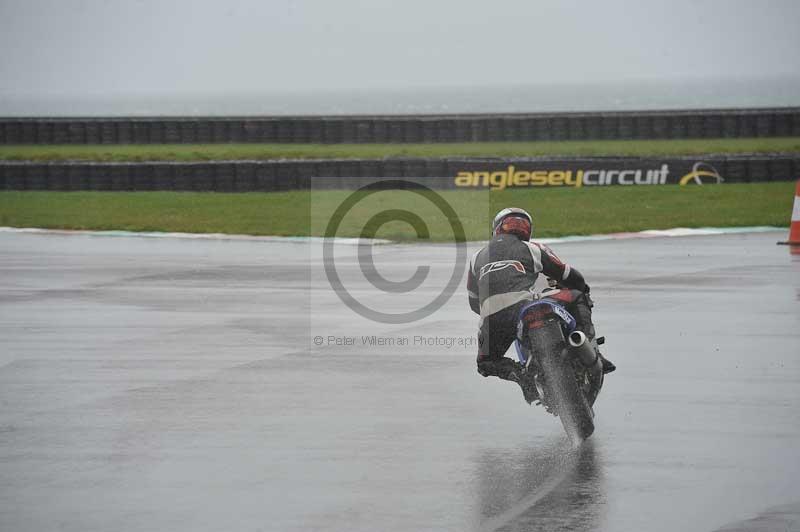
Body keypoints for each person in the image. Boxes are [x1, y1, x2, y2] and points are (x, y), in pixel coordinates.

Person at [466, 207, 615, 403]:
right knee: (578, 296)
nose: (518, 226)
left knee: (486, 362)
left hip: (491, 318)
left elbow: (473, 301)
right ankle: (592, 349)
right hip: (525, 305)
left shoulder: (476, 257)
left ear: (496, 229)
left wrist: (491, 312)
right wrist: (581, 287)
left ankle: (524, 378)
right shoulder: (533, 248)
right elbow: (567, 274)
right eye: (515, 223)